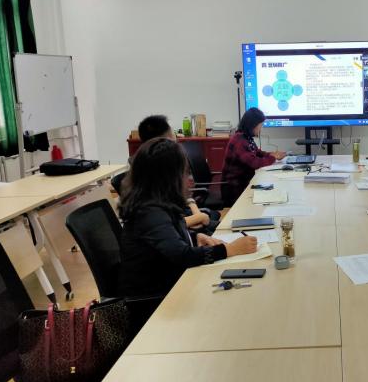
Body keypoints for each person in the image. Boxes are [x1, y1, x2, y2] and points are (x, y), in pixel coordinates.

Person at [118, 137, 257, 297]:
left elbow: (168, 241)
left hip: (169, 283)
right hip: (156, 300)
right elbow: (183, 256)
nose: (188, 179)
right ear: (169, 177)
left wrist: (193, 237)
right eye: (184, 173)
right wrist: (230, 249)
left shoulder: (157, 202)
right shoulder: (150, 212)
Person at [113, 115, 218, 232]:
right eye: (173, 134)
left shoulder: (148, 161)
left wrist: (196, 211)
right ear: (165, 140)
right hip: (174, 222)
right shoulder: (155, 169)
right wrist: (198, 217)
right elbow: (159, 221)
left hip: (179, 215)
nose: (176, 138)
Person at [222, 108, 286, 206]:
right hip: (235, 189)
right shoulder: (239, 140)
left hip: (244, 183)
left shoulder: (245, 137)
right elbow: (254, 163)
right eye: (260, 125)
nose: (261, 129)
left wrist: (271, 154)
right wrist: (273, 158)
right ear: (253, 125)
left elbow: (257, 152)